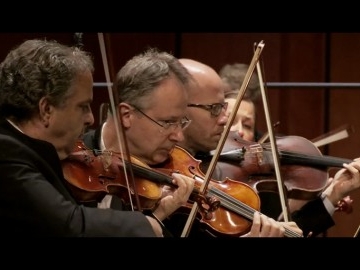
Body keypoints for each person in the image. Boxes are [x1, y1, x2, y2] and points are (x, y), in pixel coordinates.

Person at [82, 49, 299, 238]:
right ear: (126, 115)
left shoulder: (174, 185)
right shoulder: (70, 164)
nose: (178, 136)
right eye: (168, 122)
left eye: (181, 122)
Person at [0, 39, 193, 237]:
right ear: (46, 109)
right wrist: (143, 224)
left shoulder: (41, 153)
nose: (90, 118)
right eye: (83, 106)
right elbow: (70, 224)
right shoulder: (6, 153)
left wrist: (158, 215)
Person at [169, 59, 360, 237]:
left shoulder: (250, 186)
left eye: (248, 125)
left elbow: (288, 232)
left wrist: (333, 195)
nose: (234, 129)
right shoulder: (177, 169)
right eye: (215, 110)